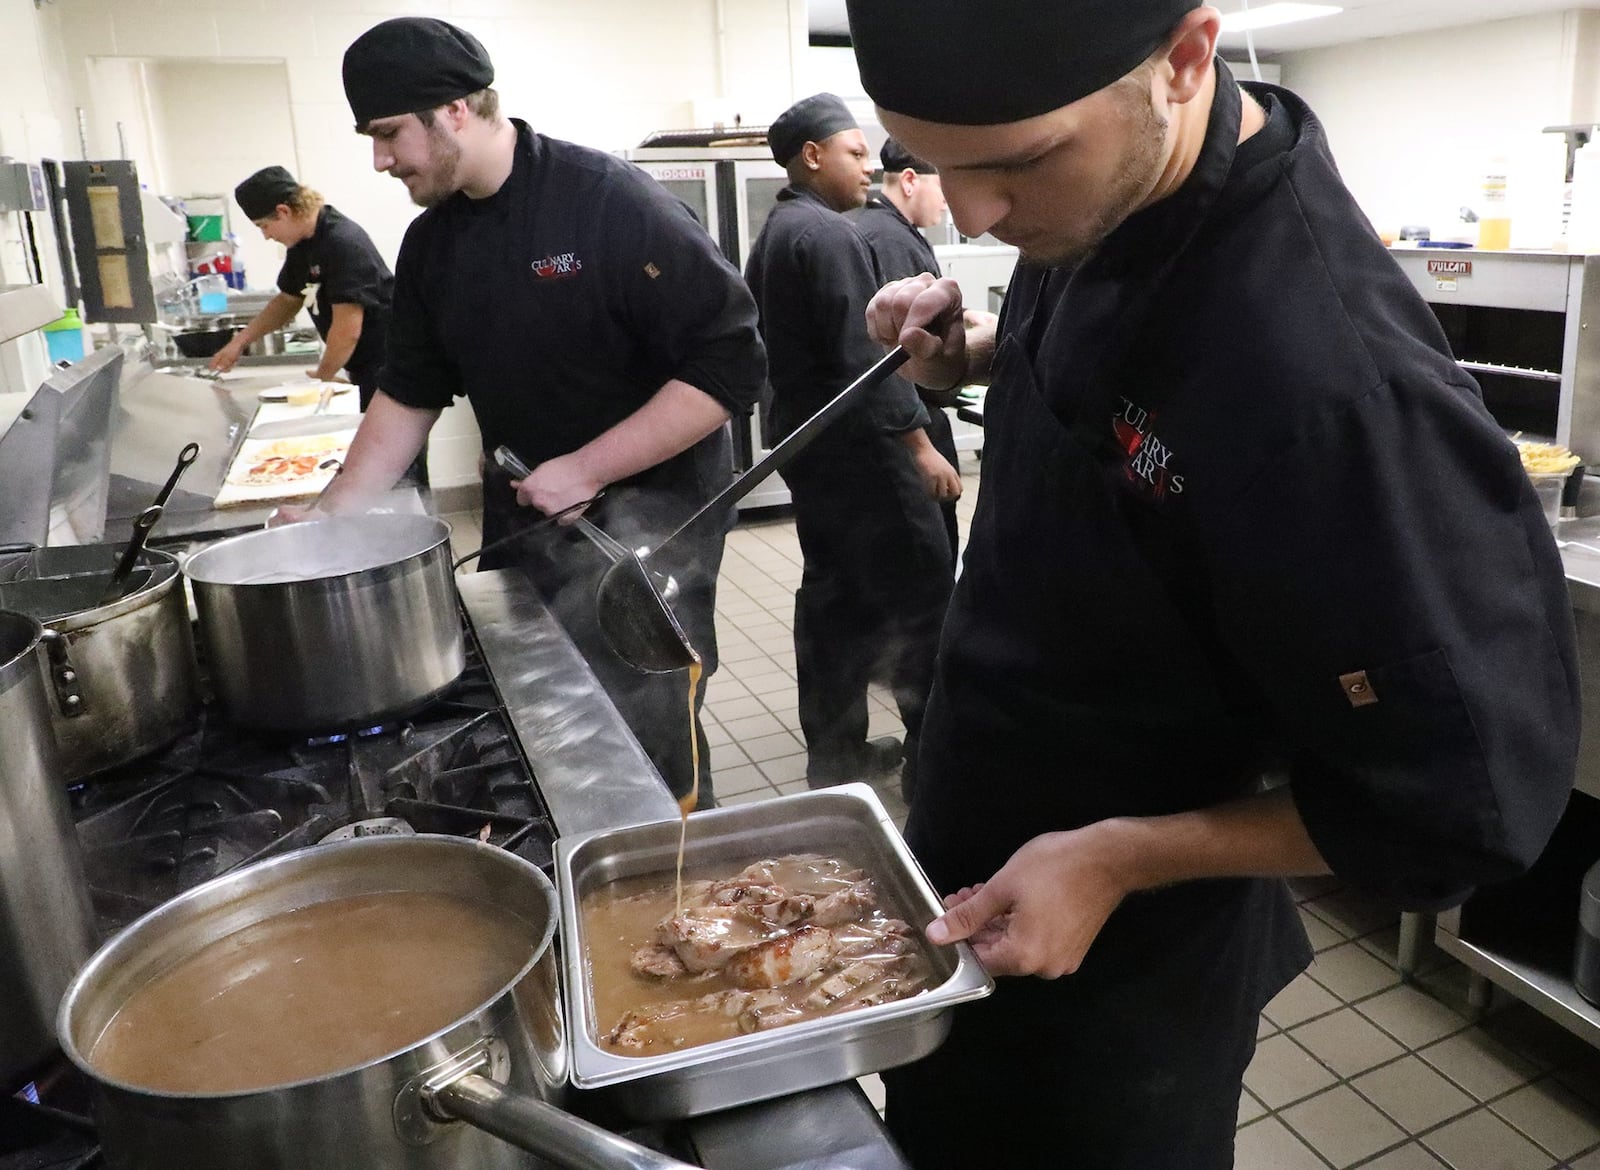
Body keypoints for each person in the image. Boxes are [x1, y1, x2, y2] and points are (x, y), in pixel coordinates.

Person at [848, 2, 1580, 1167]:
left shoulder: (1328, 390)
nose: (973, 214)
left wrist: (1116, 857)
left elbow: (1472, 806)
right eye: (936, 166)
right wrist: (979, 351)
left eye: (1017, 162)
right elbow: (1126, 410)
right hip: (988, 834)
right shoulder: (1114, 194)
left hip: (1118, 945)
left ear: (1186, 59)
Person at [314, 17, 766, 808]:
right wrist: (330, 520)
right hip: (529, 517)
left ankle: (671, 872)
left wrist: (589, 468)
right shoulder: (432, 245)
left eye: (388, 135)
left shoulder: (608, 203)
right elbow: (411, 390)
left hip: (645, 531)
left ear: (455, 110)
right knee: (540, 715)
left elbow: (731, 366)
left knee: (645, 732)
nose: (381, 160)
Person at [743, 94, 959, 797]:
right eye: (856, 152)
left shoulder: (777, 231)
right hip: (868, 457)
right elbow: (868, 361)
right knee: (924, 597)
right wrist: (922, 448)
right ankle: (935, 769)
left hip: (816, 455)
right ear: (813, 156)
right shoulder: (827, 238)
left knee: (836, 604)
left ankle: (835, 758)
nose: (869, 170)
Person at [851, 138, 962, 565]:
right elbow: (893, 354)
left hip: (895, 428)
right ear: (911, 180)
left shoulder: (880, 228)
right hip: (908, 426)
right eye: (945, 181)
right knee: (928, 565)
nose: (951, 202)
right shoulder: (889, 239)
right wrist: (921, 449)